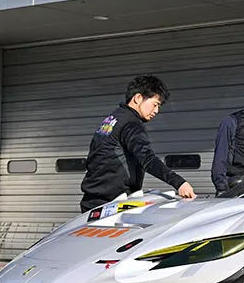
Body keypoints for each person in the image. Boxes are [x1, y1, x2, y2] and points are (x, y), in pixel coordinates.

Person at [80, 75, 196, 212]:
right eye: (155, 104)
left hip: (91, 202)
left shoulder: (113, 119)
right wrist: (179, 182)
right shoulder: (131, 124)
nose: (156, 111)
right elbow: (147, 159)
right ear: (138, 98)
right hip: (111, 205)